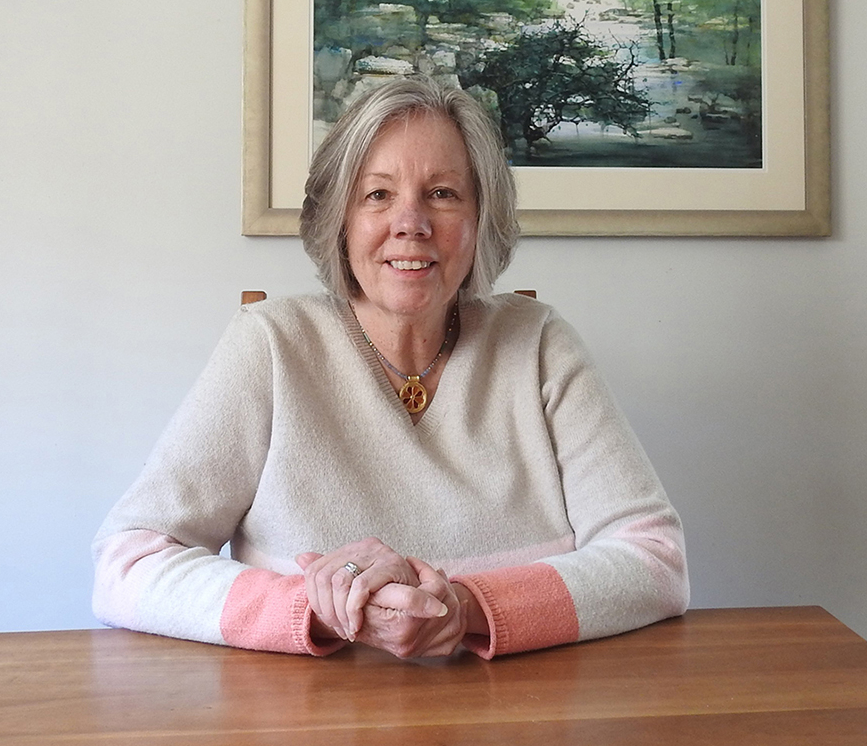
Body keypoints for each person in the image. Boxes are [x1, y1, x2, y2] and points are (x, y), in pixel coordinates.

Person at [93, 76, 687, 659]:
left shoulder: (537, 343)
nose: (412, 222)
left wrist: (465, 607)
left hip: (517, 712)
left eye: (444, 194)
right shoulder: (271, 346)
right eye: (378, 194)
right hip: (307, 716)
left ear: (481, 221)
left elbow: (654, 559)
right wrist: (314, 611)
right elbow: (129, 565)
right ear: (341, 220)